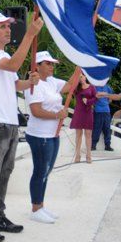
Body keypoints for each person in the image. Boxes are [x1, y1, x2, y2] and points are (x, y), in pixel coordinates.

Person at [0, 12, 43, 242]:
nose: (7, 29)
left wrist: (29, 83)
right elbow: (14, 64)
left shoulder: (2, 55)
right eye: (2, 26)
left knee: (4, 173)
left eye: (8, 26)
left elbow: (14, 84)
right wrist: (30, 35)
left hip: (10, 121)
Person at [24, 51, 70, 224]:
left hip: (53, 134)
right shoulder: (33, 85)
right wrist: (57, 115)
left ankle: (41, 205)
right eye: (48, 63)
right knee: (40, 171)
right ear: (37, 66)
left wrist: (80, 67)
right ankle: (35, 208)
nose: (52, 66)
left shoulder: (51, 81)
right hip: (39, 135)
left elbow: (69, 86)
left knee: (47, 171)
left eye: (52, 63)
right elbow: (36, 111)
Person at [70, 74, 97, 163]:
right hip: (79, 112)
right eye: (79, 77)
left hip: (88, 112)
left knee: (88, 134)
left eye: (81, 76)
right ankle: (77, 155)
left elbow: (96, 99)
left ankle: (88, 155)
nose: (80, 78)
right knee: (78, 134)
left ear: (85, 77)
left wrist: (88, 101)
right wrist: (75, 78)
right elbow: (69, 86)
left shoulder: (92, 87)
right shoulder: (76, 88)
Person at [92, 83, 114, 151]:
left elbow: (111, 98)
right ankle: (93, 145)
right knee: (96, 129)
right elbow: (92, 98)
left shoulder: (108, 87)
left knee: (107, 129)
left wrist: (106, 102)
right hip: (98, 111)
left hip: (107, 111)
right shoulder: (94, 87)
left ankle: (108, 146)